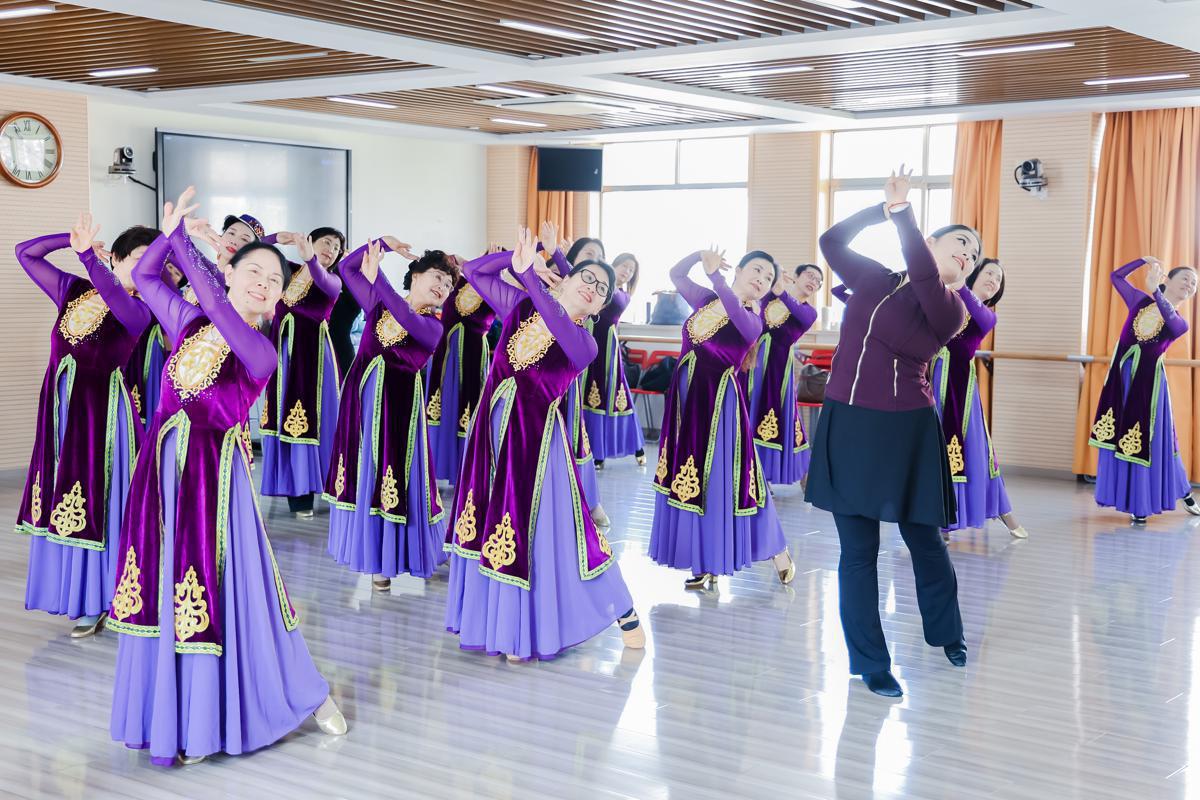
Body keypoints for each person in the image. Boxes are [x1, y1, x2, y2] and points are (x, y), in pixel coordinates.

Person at [108, 188, 345, 766]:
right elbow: (144, 275)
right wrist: (168, 238)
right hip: (161, 474)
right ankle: (179, 715)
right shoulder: (190, 322)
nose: (264, 283)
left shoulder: (260, 350)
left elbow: (217, 307)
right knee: (164, 587)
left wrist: (189, 250)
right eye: (253, 271)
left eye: (275, 279)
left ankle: (298, 692)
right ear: (232, 273)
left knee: (235, 590)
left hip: (214, 483)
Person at [808, 167, 976, 698]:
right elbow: (830, 243)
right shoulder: (875, 278)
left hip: (906, 432)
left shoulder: (951, 309)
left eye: (973, 255)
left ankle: (947, 633)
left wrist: (903, 214)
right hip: (846, 424)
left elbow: (924, 278)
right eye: (960, 244)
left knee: (924, 541)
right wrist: (880, 211)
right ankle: (870, 662)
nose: (968, 254)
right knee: (858, 552)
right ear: (932, 244)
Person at [445, 227, 644, 661]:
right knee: (492, 525)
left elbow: (556, 321)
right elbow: (474, 271)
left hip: (536, 446)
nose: (593, 288)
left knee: (559, 535)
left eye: (602, 288)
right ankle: (505, 626)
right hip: (490, 436)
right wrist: (524, 258)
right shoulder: (521, 307)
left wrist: (530, 277)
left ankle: (618, 609)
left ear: (601, 306)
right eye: (587, 277)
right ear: (566, 279)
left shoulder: (585, 343)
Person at [14, 214, 150, 637]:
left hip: (102, 419)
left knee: (99, 503)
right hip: (59, 413)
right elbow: (25, 253)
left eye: (155, 263)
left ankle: (100, 599)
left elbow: (114, 296)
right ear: (117, 257)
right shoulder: (73, 290)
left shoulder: (139, 310)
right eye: (140, 258)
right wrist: (70, 240)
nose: (147, 268)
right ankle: (74, 594)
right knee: (62, 499)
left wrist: (87, 256)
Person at [648, 246, 795, 591]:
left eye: (768, 277)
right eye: (756, 270)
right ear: (738, 270)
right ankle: (706, 561)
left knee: (729, 482)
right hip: (686, 402)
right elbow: (676, 275)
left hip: (719, 408)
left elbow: (734, 312)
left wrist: (715, 276)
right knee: (694, 480)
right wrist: (699, 255)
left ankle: (775, 547)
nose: (762, 279)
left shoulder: (753, 319)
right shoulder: (707, 300)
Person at [325, 240, 453, 591]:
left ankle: (394, 557)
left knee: (392, 476)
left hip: (399, 411)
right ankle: (373, 560)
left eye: (447, 284)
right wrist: (383, 243)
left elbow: (404, 315)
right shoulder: (380, 305)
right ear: (416, 276)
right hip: (360, 403)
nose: (442, 286)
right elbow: (347, 267)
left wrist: (378, 277)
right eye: (437, 276)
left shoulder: (432, 327)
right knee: (363, 474)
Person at [1089, 257, 1199, 524]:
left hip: (1149, 387)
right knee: (1119, 435)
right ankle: (1168, 493)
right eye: (1185, 278)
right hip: (1121, 380)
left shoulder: (1180, 322)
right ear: (1167, 279)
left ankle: (1148, 500)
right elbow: (1116, 277)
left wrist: (1154, 291)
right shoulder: (1140, 301)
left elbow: (1169, 319)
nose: (1190, 284)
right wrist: (1141, 261)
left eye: (1194, 283)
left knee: (1155, 440)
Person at [931, 259, 1028, 539]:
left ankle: (999, 510)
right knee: (931, 449)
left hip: (959, 391)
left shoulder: (987, 315)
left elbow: (975, 312)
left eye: (998, 279)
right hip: (928, 383)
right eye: (989, 273)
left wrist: (958, 279)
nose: (993, 280)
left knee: (975, 451)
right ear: (975, 275)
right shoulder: (946, 301)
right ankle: (937, 516)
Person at [259, 228, 345, 518]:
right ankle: (297, 496)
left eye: (336, 247)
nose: (331, 249)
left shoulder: (332, 280)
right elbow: (256, 251)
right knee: (283, 419)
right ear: (310, 241)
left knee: (318, 421)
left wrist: (311, 259)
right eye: (326, 242)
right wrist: (276, 238)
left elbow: (320, 277)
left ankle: (328, 488)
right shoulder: (290, 271)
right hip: (284, 357)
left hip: (315, 360)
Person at [748, 263, 822, 488]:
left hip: (777, 370)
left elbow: (797, 312)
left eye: (818, 281)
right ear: (796, 277)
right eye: (810, 276)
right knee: (747, 412)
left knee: (778, 417)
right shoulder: (771, 296)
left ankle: (784, 473)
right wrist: (776, 276)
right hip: (752, 362)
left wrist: (781, 291)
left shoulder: (809, 312)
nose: (814, 282)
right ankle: (749, 473)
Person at [425, 256, 496, 485]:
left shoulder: (496, 290)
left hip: (473, 356)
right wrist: (465, 265)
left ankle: (465, 473)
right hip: (445, 352)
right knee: (440, 404)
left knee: (469, 407)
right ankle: (433, 468)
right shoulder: (457, 282)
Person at [583, 252, 647, 468]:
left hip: (607, 349)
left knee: (613, 394)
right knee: (586, 393)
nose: (627, 271)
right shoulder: (602, 284)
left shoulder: (622, 295)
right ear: (615, 264)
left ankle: (629, 448)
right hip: (587, 339)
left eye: (631, 270)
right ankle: (590, 448)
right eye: (625, 266)